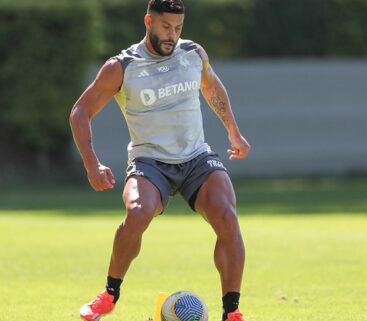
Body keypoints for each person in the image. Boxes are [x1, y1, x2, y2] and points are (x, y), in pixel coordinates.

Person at [69, 1, 250, 320]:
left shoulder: (193, 52)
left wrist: (233, 131)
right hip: (149, 162)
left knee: (227, 216)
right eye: (166, 27)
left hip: (197, 158)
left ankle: (232, 312)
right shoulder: (122, 66)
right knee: (137, 213)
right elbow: (80, 112)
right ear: (148, 21)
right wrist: (92, 164)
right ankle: (109, 295)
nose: (172, 35)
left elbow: (211, 87)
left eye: (178, 28)